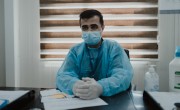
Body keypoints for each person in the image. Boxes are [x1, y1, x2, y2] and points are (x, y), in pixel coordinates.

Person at [56, 9, 133, 100]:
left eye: (93, 27)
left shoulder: (114, 48)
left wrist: (101, 87)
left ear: (102, 27)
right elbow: (63, 76)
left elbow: (123, 75)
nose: (89, 31)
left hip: (110, 100)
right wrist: (75, 85)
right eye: (85, 27)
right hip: (82, 100)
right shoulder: (75, 51)